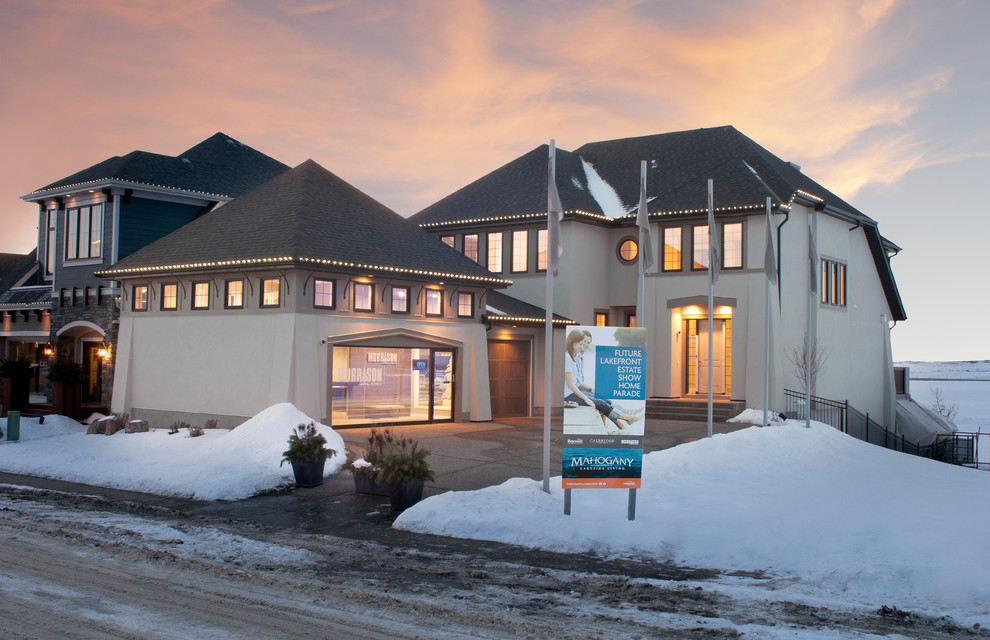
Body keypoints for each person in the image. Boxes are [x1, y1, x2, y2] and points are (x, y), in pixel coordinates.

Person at [563, 329, 643, 430]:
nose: (581, 346)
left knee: (600, 400)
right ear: (572, 343)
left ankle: (624, 421)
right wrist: (586, 398)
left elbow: (574, 382)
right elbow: (571, 384)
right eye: (580, 343)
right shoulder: (568, 358)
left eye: (583, 343)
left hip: (572, 393)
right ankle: (627, 418)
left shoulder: (572, 357)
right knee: (599, 403)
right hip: (568, 395)